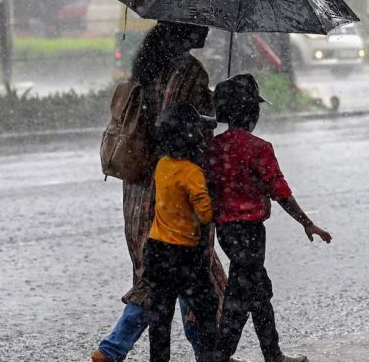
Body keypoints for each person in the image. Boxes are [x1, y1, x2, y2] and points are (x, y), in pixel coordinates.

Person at [92, 21, 228, 362]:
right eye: (201, 23)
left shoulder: (145, 66)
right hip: (175, 186)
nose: (208, 30)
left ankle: (206, 353)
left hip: (138, 185)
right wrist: (214, 106)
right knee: (192, 269)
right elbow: (190, 126)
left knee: (159, 270)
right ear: (184, 29)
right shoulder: (189, 71)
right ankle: (113, 349)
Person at [207, 74, 333, 362]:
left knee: (255, 289)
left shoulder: (212, 149)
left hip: (226, 231)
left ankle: (266, 354)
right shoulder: (259, 148)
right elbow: (280, 191)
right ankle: (226, 355)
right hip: (251, 232)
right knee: (244, 292)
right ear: (252, 113)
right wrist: (306, 222)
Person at [143, 103, 220, 362]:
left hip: (156, 250)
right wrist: (213, 195)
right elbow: (206, 215)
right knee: (206, 309)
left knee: (160, 319)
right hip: (185, 255)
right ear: (191, 137)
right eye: (199, 130)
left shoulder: (162, 165)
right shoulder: (193, 173)